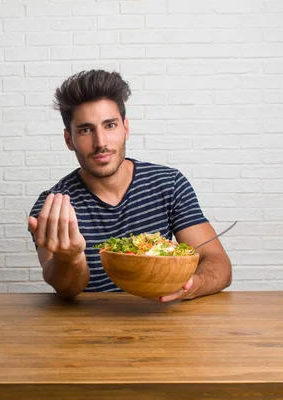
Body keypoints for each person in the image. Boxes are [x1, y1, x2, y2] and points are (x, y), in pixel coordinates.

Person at [27, 69, 232, 302]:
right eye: (85, 130)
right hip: (88, 327)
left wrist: (191, 286)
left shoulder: (169, 184)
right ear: (68, 140)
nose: (101, 143)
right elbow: (67, 289)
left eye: (110, 125)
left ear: (125, 128)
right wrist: (70, 259)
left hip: (160, 318)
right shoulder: (53, 206)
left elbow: (218, 262)